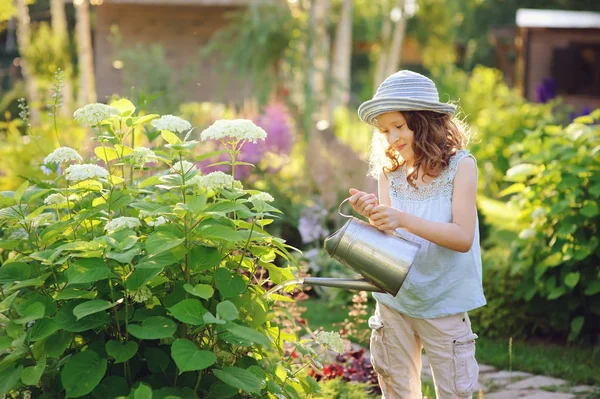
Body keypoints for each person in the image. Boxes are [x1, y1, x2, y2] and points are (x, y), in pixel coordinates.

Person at [348, 70, 486, 399]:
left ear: (424, 122)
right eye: (385, 130)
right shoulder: (390, 172)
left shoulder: (461, 167)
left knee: (455, 391)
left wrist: (402, 218)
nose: (393, 137)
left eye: (400, 126)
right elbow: (392, 236)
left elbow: (462, 237)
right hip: (395, 300)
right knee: (396, 390)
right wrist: (374, 215)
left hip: (443, 301)